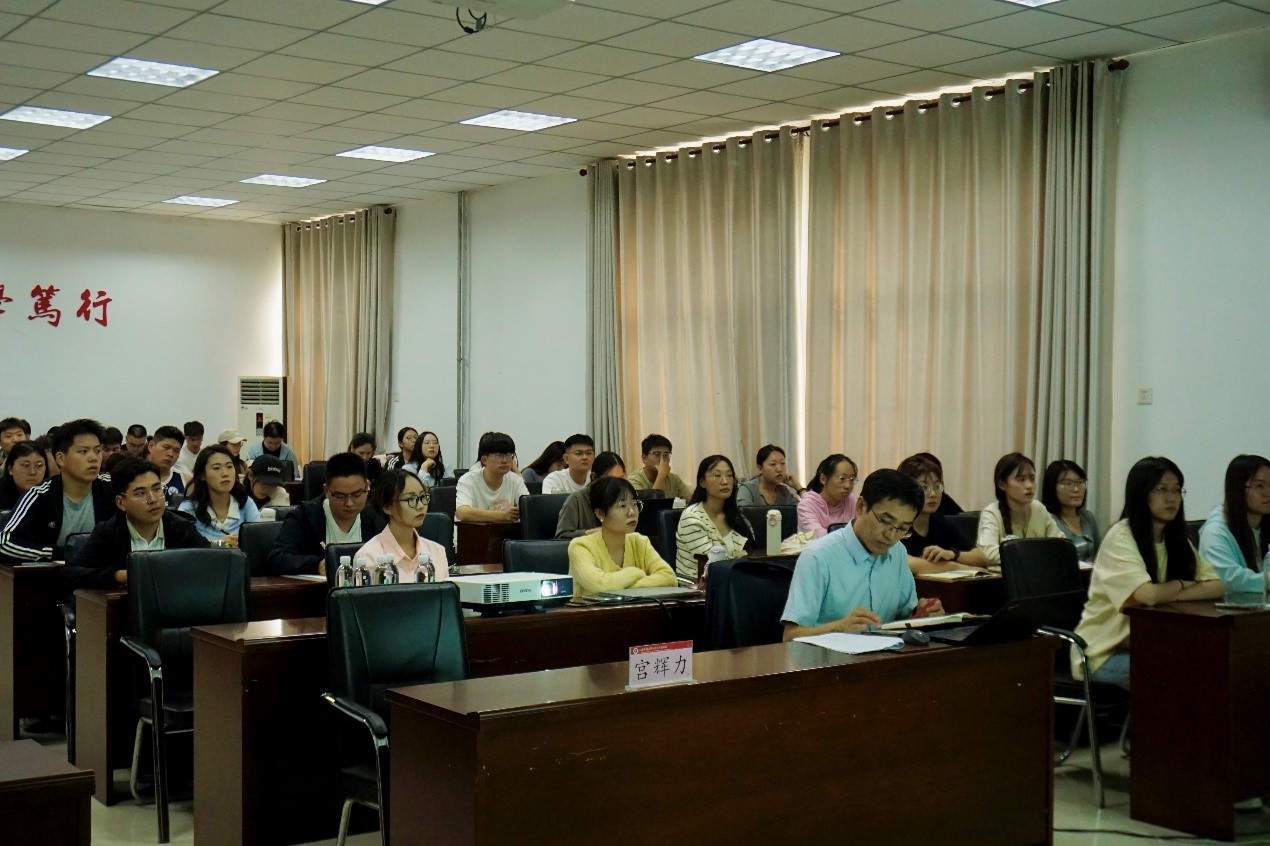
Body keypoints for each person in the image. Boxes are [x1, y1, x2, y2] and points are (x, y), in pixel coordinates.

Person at [1073, 457, 1223, 690]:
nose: (1172, 498)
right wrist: (1183, 584)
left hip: (1152, 644)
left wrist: (1169, 592)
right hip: (1102, 653)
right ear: (1141, 494)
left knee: (1213, 662)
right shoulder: (1121, 537)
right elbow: (1147, 596)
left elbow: (1218, 585)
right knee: (1180, 671)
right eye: (1162, 489)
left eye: (1176, 490)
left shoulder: (1176, 539)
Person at [781, 469, 946, 640]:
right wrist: (837, 628)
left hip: (885, 654)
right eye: (885, 521)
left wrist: (922, 615)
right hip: (832, 656)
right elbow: (790, 636)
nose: (890, 536)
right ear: (861, 506)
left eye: (903, 528)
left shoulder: (897, 552)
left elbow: (904, 617)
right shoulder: (818, 557)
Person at [63, 457, 208, 591]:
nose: (153, 499)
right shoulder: (108, 533)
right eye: (140, 493)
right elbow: (70, 574)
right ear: (121, 502)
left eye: (157, 489)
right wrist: (117, 576)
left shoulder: (182, 529)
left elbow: (211, 563)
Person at [0, 419, 114, 561]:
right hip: (55, 572)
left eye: (97, 451)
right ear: (60, 458)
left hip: (106, 571)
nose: (93, 458)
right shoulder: (40, 495)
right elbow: (3, 543)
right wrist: (58, 553)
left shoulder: (113, 487)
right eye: (83, 451)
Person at [268, 452, 385, 575]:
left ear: (367, 486)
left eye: (356, 494)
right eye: (340, 496)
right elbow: (277, 559)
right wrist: (317, 565)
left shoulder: (377, 517)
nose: (349, 503)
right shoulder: (304, 516)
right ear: (326, 490)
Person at [568, 476, 677, 597]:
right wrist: (636, 573)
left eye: (634, 504)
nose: (632, 512)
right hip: (591, 609)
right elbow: (599, 586)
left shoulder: (639, 542)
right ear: (600, 513)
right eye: (622, 506)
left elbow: (669, 577)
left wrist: (627, 585)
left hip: (635, 608)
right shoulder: (580, 547)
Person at [896, 454, 990, 574]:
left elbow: (981, 559)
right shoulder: (897, 523)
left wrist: (953, 554)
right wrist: (955, 567)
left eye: (937, 486)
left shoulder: (941, 522)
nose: (933, 494)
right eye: (924, 487)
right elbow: (906, 563)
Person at [354, 469, 449, 583]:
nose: (420, 506)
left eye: (422, 497)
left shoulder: (437, 552)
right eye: (410, 499)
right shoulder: (368, 557)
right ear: (387, 507)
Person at [976, 452, 1067, 567]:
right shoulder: (992, 513)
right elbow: (987, 554)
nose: (1029, 485)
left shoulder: (1038, 509)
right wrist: (1036, 554)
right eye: (1021, 479)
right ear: (1002, 484)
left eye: (1032, 479)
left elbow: (1063, 545)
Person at [673, 455, 754, 580]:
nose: (725, 481)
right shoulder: (692, 517)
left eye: (729, 475)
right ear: (702, 482)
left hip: (733, 580)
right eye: (717, 475)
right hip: (699, 584)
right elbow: (711, 562)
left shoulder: (737, 516)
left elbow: (752, 552)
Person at [1199, 455, 1270, 595]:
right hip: (1231, 607)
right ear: (1237, 489)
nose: (1268, 493)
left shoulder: (1265, 524)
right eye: (1259, 486)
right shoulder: (1216, 532)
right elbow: (1230, 580)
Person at [179, 445, 262, 546]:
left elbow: (258, 540)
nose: (225, 473)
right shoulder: (188, 509)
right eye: (216, 468)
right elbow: (182, 549)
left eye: (229, 467)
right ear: (202, 475)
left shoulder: (245, 502)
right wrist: (219, 544)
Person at [456, 432, 530, 523]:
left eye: (508, 455)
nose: (505, 460)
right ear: (484, 460)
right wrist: (503, 516)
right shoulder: (468, 480)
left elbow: (529, 508)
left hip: (506, 531)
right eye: (499, 455)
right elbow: (463, 513)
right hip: (473, 531)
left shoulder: (515, 480)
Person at [556, 452, 626, 539]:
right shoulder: (576, 500)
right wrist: (589, 533)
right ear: (594, 477)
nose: (618, 485)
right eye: (611, 480)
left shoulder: (626, 499)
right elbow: (561, 537)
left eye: (621, 479)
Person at [1041, 460, 1102, 560]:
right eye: (1068, 483)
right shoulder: (1047, 519)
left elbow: (1099, 554)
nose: (1076, 489)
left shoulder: (1088, 517)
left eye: (1080, 482)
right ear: (1052, 486)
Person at [797, 453, 860, 537]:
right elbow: (817, 537)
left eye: (852, 479)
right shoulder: (807, 505)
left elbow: (865, 531)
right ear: (823, 479)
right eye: (842, 478)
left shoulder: (853, 502)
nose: (848, 486)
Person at [627, 434, 693, 500]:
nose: (662, 459)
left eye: (666, 455)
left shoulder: (674, 479)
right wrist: (661, 475)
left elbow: (692, 503)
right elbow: (651, 505)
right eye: (657, 454)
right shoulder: (634, 480)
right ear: (644, 458)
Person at [736, 444, 801, 507]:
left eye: (782, 463)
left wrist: (799, 488)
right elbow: (745, 513)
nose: (779, 469)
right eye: (773, 464)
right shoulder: (747, 489)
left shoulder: (784, 491)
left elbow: (803, 511)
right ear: (760, 468)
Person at [147, 425, 190, 506]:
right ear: (151, 446)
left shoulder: (186, 480)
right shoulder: (133, 476)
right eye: (166, 447)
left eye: (176, 451)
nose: (170, 454)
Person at [0, 442, 47, 510]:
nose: (32, 472)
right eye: (25, 465)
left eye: (39, 466)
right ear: (10, 468)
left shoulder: (52, 493)